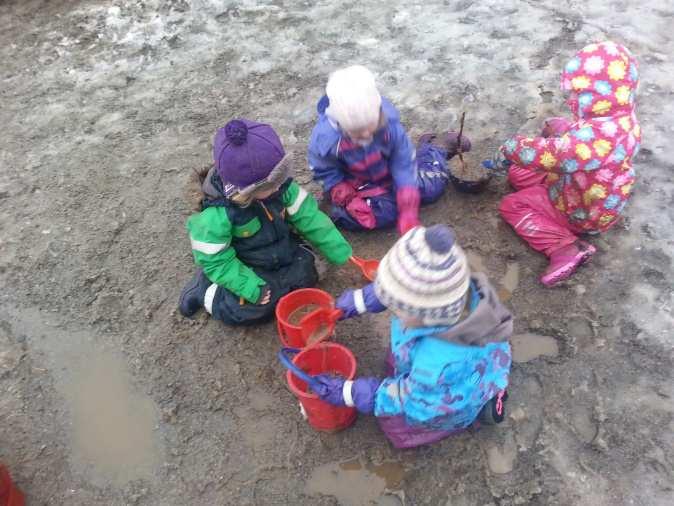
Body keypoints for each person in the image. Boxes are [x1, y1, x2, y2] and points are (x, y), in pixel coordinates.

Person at [313, 225, 512, 448]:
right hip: (479, 360)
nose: (393, 310)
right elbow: (406, 290)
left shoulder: (436, 367)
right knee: (401, 364)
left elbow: (415, 401)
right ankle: (490, 388)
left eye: (398, 308)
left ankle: (486, 406)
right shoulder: (452, 292)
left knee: (397, 428)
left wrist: (354, 393)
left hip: (447, 396)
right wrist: (365, 299)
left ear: (426, 314)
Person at [178, 119, 353, 325]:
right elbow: (216, 259)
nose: (277, 188)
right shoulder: (215, 215)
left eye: (278, 179)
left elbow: (310, 218)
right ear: (243, 189)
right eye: (267, 186)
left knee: (305, 278)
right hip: (245, 264)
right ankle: (206, 291)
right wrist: (250, 287)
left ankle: (273, 281)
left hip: (282, 253)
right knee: (248, 308)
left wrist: (342, 253)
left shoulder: (280, 186)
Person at [494, 41, 640, 286]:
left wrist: (512, 148)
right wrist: (565, 127)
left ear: (598, 96)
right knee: (518, 176)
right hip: (590, 185)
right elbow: (586, 144)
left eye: (578, 93)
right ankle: (555, 217)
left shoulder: (590, 141)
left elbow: (558, 154)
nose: (572, 98)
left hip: (583, 209)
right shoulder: (621, 118)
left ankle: (566, 247)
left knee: (512, 205)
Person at [308, 65, 470, 235]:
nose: (365, 136)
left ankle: (436, 147)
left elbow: (402, 158)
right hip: (359, 183)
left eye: (371, 129)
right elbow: (323, 169)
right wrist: (341, 190)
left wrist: (407, 191)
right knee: (381, 214)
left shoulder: (389, 124)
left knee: (432, 188)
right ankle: (335, 211)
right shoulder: (326, 139)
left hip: (390, 173)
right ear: (339, 123)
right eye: (356, 134)